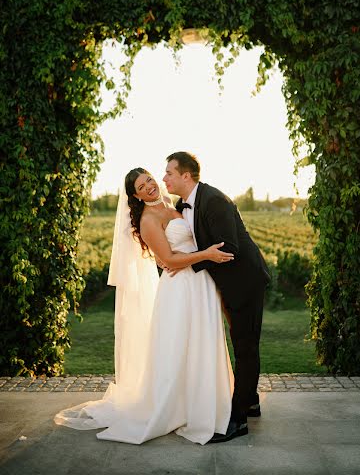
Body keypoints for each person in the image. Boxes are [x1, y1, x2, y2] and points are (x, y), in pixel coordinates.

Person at [54, 168, 235, 445]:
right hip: (180, 289)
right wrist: (207, 255)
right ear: (136, 196)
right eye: (142, 186)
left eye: (150, 179)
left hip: (200, 285)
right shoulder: (149, 219)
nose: (150, 186)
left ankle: (206, 403)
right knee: (179, 348)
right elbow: (169, 261)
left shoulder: (172, 205)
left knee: (202, 343)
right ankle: (180, 410)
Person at [163, 152, 270, 443]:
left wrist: (189, 264)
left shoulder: (214, 201)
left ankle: (238, 421)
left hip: (245, 281)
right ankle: (251, 401)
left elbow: (229, 248)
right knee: (241, 342)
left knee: (246, 347)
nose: (164, 178)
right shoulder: (181, 204)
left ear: (186, 176)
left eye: (169, 173)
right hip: (226, 284)